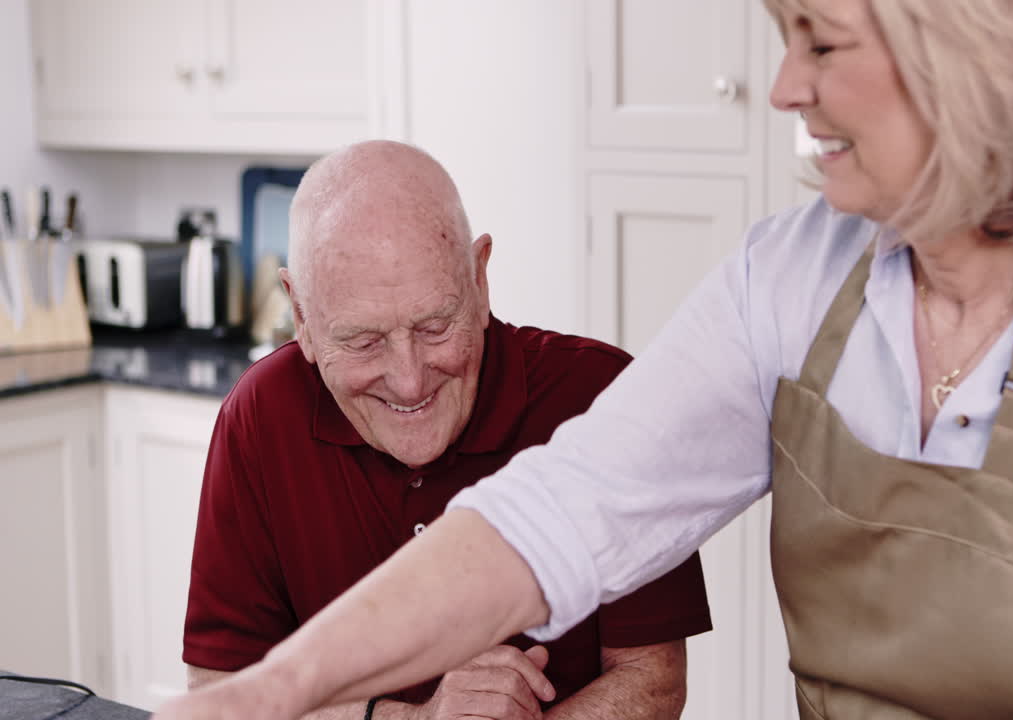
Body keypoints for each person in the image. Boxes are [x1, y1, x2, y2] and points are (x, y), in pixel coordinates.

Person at [156, 1, 1013, 718]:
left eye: (820, 41)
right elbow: (558, 515)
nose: (784, 86)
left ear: (968, 56)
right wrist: (261, 699)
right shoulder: (786, 280)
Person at [180, 140, 713, 720]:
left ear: (479, 278)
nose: (409, 383)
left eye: (436, 326)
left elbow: (652, 680)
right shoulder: (260, 415)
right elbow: (218, 690)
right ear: (301, 318)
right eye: (363, 341)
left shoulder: (600, 397)